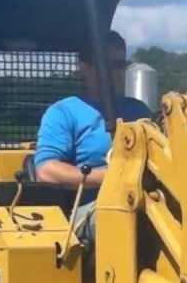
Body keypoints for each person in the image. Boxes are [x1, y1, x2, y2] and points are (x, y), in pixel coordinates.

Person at [34, 30, 151, 248]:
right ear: (84, 67)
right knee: (129, 216)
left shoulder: (138, 110)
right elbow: (46, 170)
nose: (115, 73)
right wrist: (111, 177)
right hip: (88, 209)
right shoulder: (64, 112)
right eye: (107, 65)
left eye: (120, 65)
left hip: (146, 200)